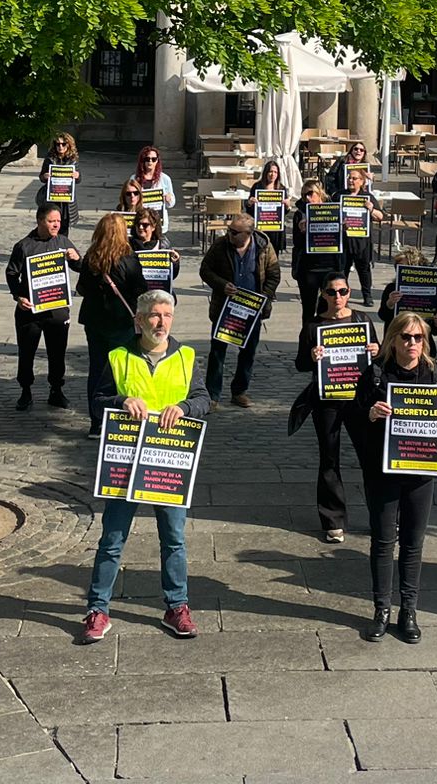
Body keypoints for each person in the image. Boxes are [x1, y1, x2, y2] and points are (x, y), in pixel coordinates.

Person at [77, 289, 211, 643]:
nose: (161, 322)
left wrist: (184, 408)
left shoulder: (186, 357)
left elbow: (203, 399)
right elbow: (97, 401)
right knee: (113, 538)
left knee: (174, 538)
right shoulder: (118, 357)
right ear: (138, 320)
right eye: (154, 315)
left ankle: (177, 606)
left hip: (168, 462)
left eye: (167, 315)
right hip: (125, 462)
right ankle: (97, 609)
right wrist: (122, 401)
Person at [353, 311, 437, 644]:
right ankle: (381, 609)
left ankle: (408, 610)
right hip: (383, 471)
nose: (412, 343)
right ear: (393, 339)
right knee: (383, 542)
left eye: (418, 338)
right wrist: (370, 413)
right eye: (406, 337)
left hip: (420, 471)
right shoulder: (374, 375)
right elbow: (357, 421)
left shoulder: (435, 373)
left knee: (413, 543)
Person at [296, 275, 377, 543]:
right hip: (327, 401)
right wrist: (311, 356)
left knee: (370, 458)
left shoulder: (362, 321)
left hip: (359, 400)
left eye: (342, 291)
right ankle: (333, 519)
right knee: (329, 458)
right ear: (324, 295)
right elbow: (300, 365)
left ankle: (381, 516)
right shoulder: (314, 327)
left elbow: (380, 358)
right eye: (332, 292)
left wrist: (377, 350)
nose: (338, 296)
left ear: (349, 292)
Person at [198, 213, 281, 407]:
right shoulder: (220, 245)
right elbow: (205, 270)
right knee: (218, 352)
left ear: (248, 234)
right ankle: (213, 395)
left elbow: (274, 275)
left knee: (248, 352)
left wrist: (262, 299)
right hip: (225, 308)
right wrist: (221, 284)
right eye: (229, 230)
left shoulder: (264, 247)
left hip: (252, 310)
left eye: (234, 232)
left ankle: (240, 391)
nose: (230, 235)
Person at [6, 204, 79, 410]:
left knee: (57, 353)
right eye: (51, 221)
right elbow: (11, 273)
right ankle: (26, 390)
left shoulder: (63, 241)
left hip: (56, 310)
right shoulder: (24, 246)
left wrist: (76, 258)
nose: (56, 224)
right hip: (30, 310)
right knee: (26, 352)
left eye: (58, 221)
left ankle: (56, 389)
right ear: (40, 221)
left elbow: (81, 267)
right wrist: (18, 297)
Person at [76, 213, 144, 436]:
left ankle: (96, 422)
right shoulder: (129, 259)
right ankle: (116, 419)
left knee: (97, 368)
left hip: (95, 321)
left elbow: (82, 288)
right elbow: (140, 289)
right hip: (121, 322)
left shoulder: (91, 258)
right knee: (120, 371)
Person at [290, 179, 343, 346]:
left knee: (328, 307)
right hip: (309, 266)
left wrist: (343, 228)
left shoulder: (333, 210)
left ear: (319, 194)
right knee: (308, 307)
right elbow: (297, 243)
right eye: (304, 194)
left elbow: (341, 240)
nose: (307, 198)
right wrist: (301, 230)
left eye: (310, 193)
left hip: (329, 264)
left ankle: (326, 342)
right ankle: (306, 344)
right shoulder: (300, 213)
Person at [336, 163, 386, 303]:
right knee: (342, 270)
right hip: (344, 239)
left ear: (362, 181)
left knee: (364, 269)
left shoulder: (367, 197)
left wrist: (371, 209)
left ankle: (367, 295)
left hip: (361, 240)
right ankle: (342, 295)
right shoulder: (339, 195)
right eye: (349, 178)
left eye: (355, 178)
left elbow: (380, 217)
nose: (351, 181)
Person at [38, 132, 83, 230]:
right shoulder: (49, 159)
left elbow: (79, 180)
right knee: (51, 225)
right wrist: (44, 176)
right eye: (58, 144)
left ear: (68, 145)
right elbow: (41, 177)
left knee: (64, 227)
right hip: (52, 198)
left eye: (63, 144)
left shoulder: (73, 160)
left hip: (66, 202)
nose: (60, 147)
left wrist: (77, 176)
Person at [130, 145, 177, 240]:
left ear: (157, 161)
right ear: (142, 161)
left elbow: (171, 203)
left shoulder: (165, 179)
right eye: (147, 159)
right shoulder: (134, 179)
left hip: (159, 221)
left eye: (153, 159)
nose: (150, 162)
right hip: (140, 222)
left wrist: (169, 198)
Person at [248, 159, 289, 255]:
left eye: (275, 172)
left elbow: (283, 213)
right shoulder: (257, 187)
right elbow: (249, 211)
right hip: (260, 228)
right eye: (270, 171)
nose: (273, 174)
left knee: (274, 256)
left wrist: (287, 207)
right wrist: (250, 203)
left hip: (275, 229)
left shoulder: (281, 188)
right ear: (266, 173)